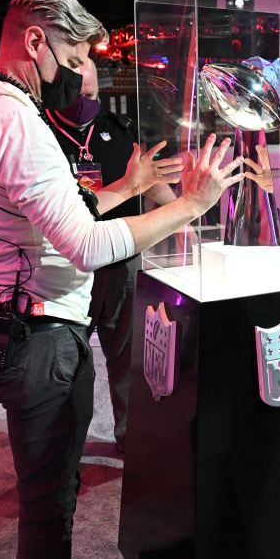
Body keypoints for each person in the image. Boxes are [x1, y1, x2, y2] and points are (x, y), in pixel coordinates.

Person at [0, 0, 242, 559]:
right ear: (34, 42)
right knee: (50, 489)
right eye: (73, 57)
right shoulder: (13, 117)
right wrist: (191, 205)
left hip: (16, 325)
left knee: (50, 479)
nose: (79, 74)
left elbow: (53, 216)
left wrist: (123, 189)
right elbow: (84, 246)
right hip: (34, 333)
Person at [50, 60, 179, 452]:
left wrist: (184, 213)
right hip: (66, 266)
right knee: (63, 362)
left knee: (126, 358)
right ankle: (59, 446)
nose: (84, 102)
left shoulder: (121, 132)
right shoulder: (41, 133)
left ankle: (129, 437)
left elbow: (153, 185)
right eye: (77, 95)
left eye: (90, 95)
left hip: (122, 262)